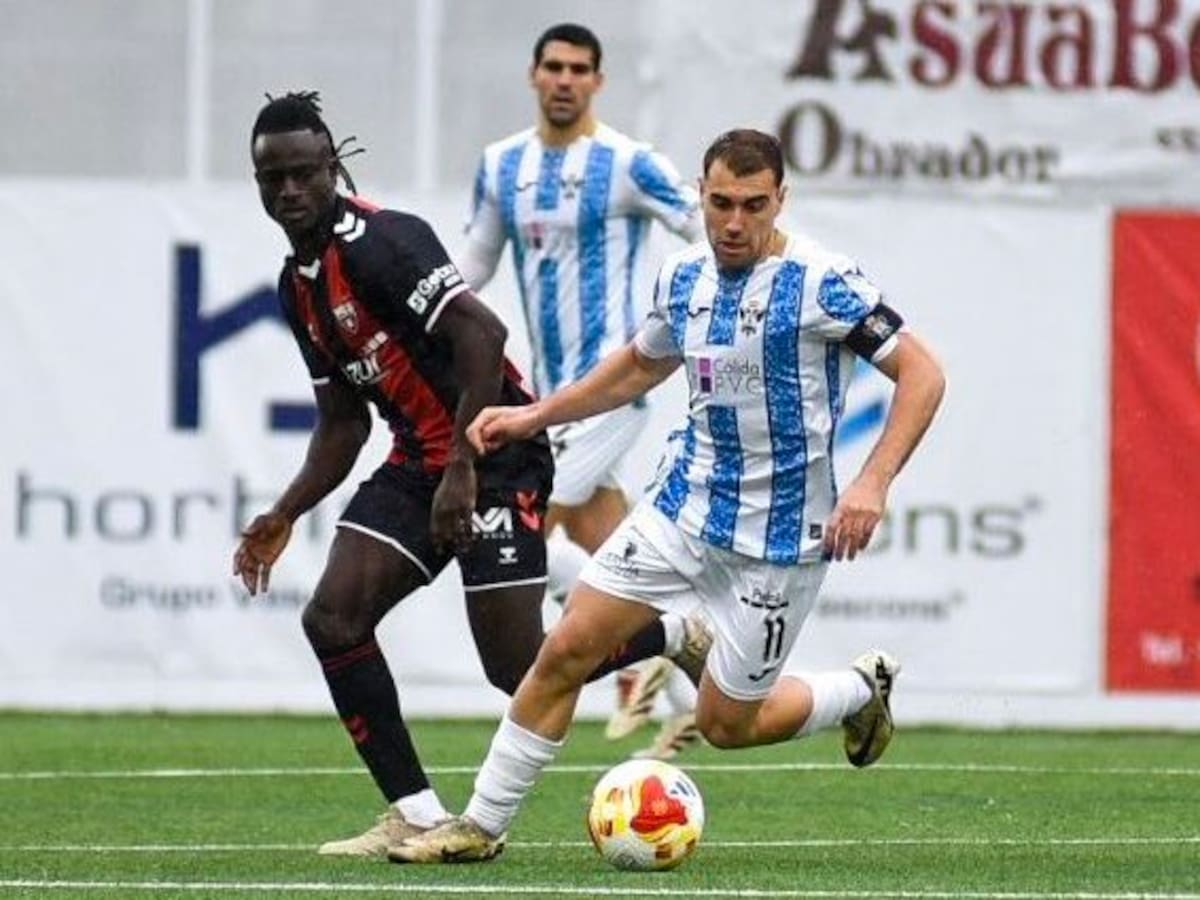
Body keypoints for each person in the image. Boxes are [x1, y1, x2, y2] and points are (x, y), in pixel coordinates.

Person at [389, 128, 947, 864]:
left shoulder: (822, 281)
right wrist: (535, 415)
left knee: (727, 725)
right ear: (701, 196)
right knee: (567, 648)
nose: (734, 222)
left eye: (753, 205)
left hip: (779, 544)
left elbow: (923, 373)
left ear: (781, 200)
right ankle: (480, 826)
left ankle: (858, 690)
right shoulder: (684, 275)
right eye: (721, 203)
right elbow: (637, 367)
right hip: (681, 512)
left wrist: (873, 481)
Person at [233, 91, 700, 859]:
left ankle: (676, 632)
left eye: (303, 173)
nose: (289, 190)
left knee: (517, 671)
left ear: (333, 168)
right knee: (332, 618)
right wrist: (285, 512)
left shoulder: (385, 242)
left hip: (496, 451)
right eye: (271, 178)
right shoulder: (300, 287)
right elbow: (344, 424)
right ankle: (415, 812)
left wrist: (463, 468)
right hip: (419, 461)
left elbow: (483, 334)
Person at [457, 22, 707, 759]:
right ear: (533, 74)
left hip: (611, 387)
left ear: (598, 81)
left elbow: (705, 232)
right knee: (612, 547)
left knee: (518, 525)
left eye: (579, 69)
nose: (565, 80)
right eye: (554, 67)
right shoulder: (501, 166)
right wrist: (418, 308)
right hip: (547, 395)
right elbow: (475, 264)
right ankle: (687, 693)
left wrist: (695, 314)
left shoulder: (629, 163)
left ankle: (654, 650)